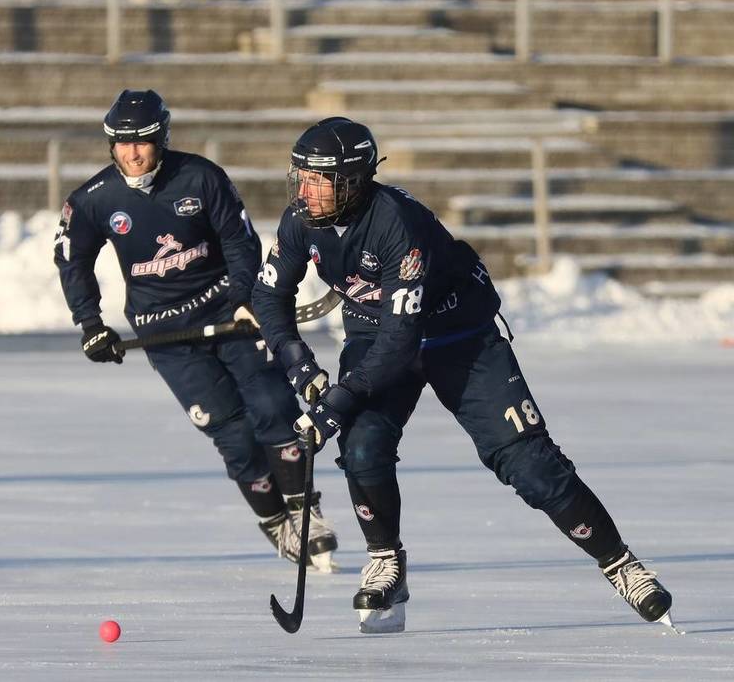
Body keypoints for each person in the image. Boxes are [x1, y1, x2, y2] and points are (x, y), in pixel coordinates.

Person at [251, 116, 675, 633]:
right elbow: (269, 297)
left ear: (355, 181)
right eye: (302, 177)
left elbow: (400, 342)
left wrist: (336, 403)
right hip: (373, 336)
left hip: (458, 337)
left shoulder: (397, 224)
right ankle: (386, 561)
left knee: (528, 463)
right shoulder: (300, 220)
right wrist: (300, 367)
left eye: (322, 180)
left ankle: (621, 563)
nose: (307, 192)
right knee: (362, 448)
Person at [53, 89, 337, 572]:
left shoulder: (202, 177)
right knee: (229, 431)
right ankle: (277, 524)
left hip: (227, 314)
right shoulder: (93, 200)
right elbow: (71, 259)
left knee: (273, 407)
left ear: (160, 138)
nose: (133, 153)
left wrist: (247, 298)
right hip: (166, 335)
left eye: (141, 141)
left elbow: (240, 241)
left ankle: (305, 508)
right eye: (122, 143)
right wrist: (91, 323)